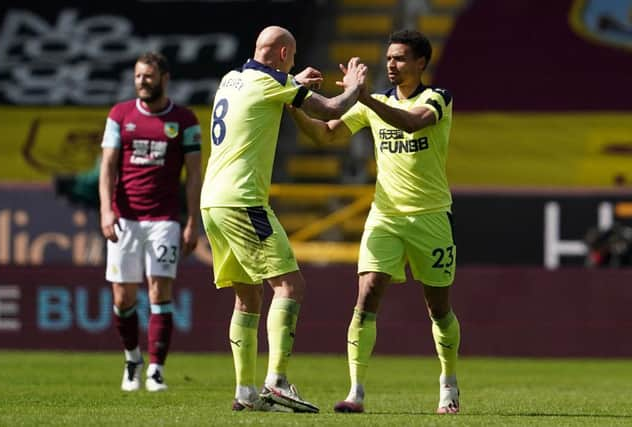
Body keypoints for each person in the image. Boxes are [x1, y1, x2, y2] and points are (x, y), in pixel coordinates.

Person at [289, 29, 460, 414]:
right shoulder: (372, 104)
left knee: (439, 308)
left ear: (420, 63)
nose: (391, 65)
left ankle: (448, 382)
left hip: (431, 217)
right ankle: (356, 391)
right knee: (367, 296)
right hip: (385, 216)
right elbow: (324, 134)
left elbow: (412, 123)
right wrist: (292, 101)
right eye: (388, 59)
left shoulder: (438, 99)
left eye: (399, 58)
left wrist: (361, 95)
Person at [200, 25, 367, 412]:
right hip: (244, 201)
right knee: (290, 286)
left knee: (248, 294)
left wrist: (291, 80)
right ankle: (276, 382)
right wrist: (355, 86)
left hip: (213, 201)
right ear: (282, 54)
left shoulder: (232, 79)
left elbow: (269, 91)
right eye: (290, 58)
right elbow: (330, 110)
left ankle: (245, 393)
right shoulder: (271, 82)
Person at [99, 52, 202, 392]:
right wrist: (106, 210)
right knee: (122, 297)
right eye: (138, 76)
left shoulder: (185, 120)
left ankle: (156, 368)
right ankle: (132, 360)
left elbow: (194, 176)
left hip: (164, 219)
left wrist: (192, 223)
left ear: (164, 78)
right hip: (125, 218)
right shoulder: (120, 115)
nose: (142, 82)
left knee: (160, 290)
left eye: (148, 76)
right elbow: (108, 167)